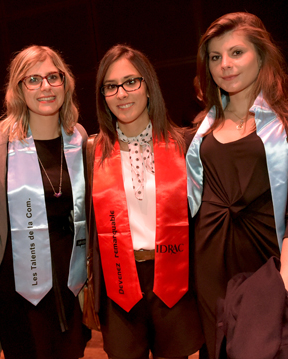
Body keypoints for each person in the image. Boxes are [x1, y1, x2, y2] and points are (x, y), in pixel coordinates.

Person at [186, 13, 288, 358]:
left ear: (261, 56)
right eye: (215, 57)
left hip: (267, 271)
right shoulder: (198, 133)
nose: (225, 65)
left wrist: (284, 298)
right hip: (209, 273)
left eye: (236, 53)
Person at [0, 45, 90, 359]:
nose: (46, 87)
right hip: (17, 284)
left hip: (71, 279)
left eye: (54, 77)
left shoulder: (78, 137)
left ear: (66, 83)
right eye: (33, 79)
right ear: (18, 88)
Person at [88, 44, 204, 359]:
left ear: (148, 87)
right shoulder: (91, 153)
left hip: (174, 275)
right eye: (111, 86)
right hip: (118, 281)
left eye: (131, 82)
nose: (122, 93)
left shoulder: (184, 144)